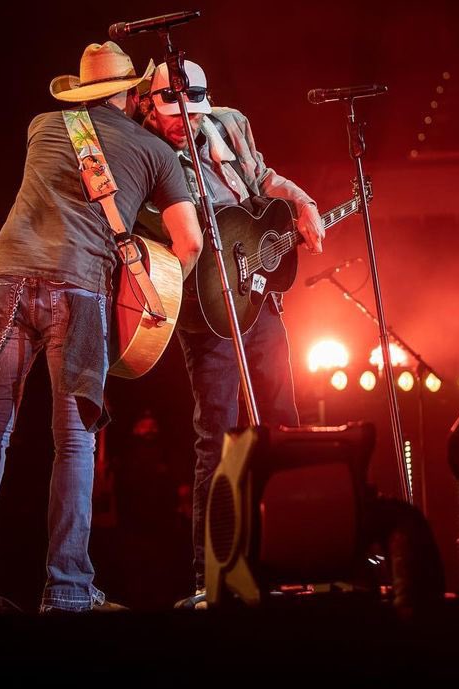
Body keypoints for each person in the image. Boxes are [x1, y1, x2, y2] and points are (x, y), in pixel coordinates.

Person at [0, 41, 202, 614]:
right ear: (130, 93)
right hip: (79, 289)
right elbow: (189, 242)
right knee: (75, 440)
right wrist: (157, 283)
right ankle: (66, 588)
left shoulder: (42, 125)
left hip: (5, 276)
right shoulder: (155, 150)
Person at [138, 60, 325, 607]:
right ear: (151, 104)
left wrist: (304, 202)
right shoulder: (144, 150)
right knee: (216, 436)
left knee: (281, 421)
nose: (181, 122)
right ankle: (209, 575)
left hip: (256, 294)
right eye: (171, 111)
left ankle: (291, 560)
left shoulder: (229, 123)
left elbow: (263, 178)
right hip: (204, 305)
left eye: (189, 111)